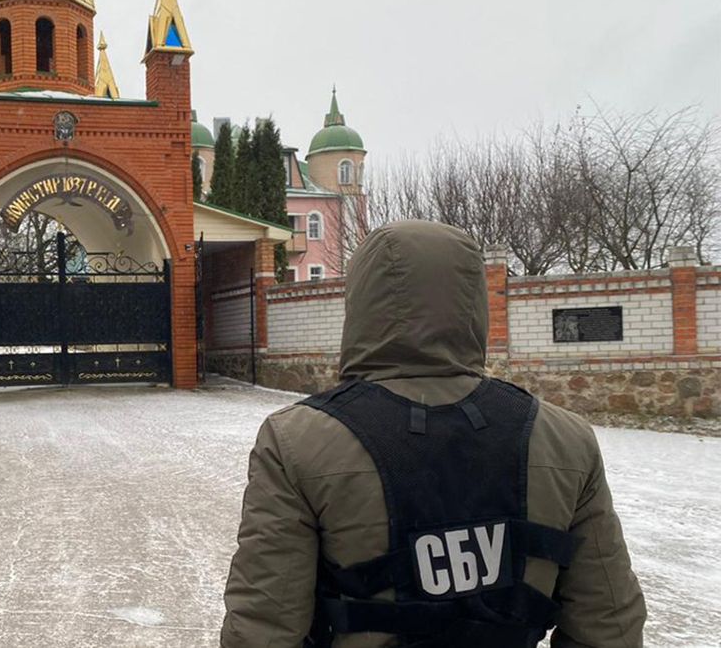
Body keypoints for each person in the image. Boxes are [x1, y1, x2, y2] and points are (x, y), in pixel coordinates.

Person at [221, 221, 645, 647]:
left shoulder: (298, 441)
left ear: (362, 302)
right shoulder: (564, 438)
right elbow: (607, 621)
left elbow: (263, 628)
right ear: (473, 300)